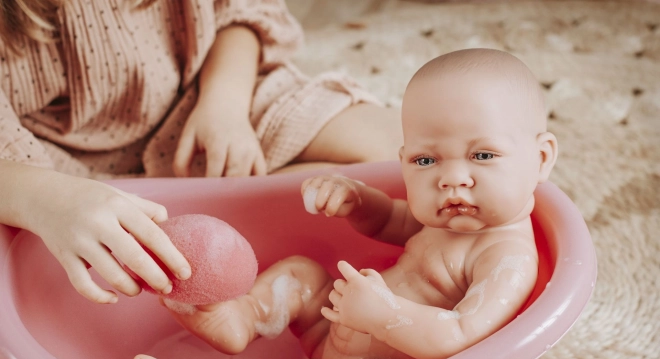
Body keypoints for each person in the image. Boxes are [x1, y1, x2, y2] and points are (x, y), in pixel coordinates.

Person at [126, 47, 558, 359]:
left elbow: (461, 335)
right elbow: (392, 219)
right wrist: (355, 200)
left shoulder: (508, 258)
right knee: (301, 273)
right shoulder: (449, 219)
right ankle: (241, 317)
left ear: (541, 159)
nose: (451, 178)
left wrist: (382, 315)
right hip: (336, 321)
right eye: (426, 160)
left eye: (482, 155)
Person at [0, 0, 403, 304]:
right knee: (100, 279)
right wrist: (47, 199)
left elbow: (241, 11)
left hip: (210, 93)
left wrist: (224, 101)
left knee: (402, 150)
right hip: (62, 169)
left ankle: (239, 205)